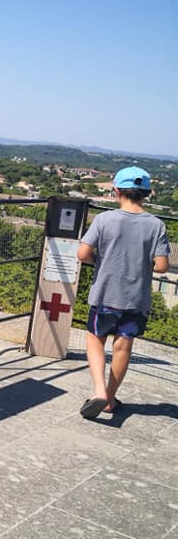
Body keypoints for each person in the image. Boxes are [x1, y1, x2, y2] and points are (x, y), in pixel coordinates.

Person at [77, 166, 170, 419]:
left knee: (95, 338)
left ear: (116, 190)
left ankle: (98, 391)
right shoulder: (157, 225)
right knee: (123, 347)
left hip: (106, 292)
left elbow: (83, 254)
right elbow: (161, 266)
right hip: (136, 298)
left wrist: (102, 261)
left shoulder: (104, 219)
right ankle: (109, 399)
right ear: (147, 193)